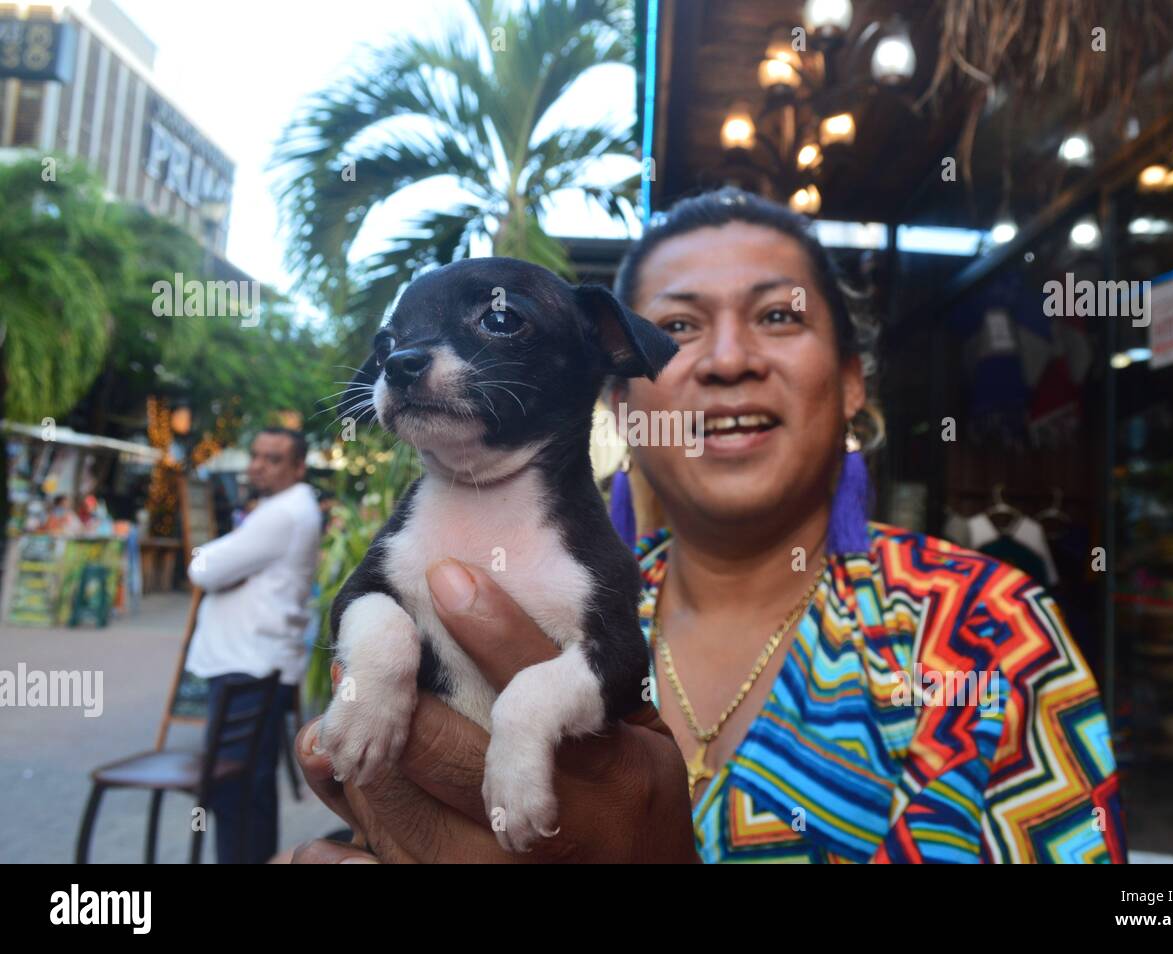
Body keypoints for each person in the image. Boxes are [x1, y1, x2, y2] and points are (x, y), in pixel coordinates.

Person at [290, 188, 1125, 864]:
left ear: (851, 385)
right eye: (681, 326)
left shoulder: (983, 629)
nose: (727, 360)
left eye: (778, 316)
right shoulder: (583, 578)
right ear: (622, 387)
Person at [187, 427, 321, 863]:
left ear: (298, 467)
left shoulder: (283, 512)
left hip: (249, 667)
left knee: (236, 792)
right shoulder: (278, 509)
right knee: (247, 788)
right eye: (257, 455)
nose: (259, 465)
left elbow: (203, 569)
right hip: (252, 663)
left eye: (274, 458)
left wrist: (217, 562)